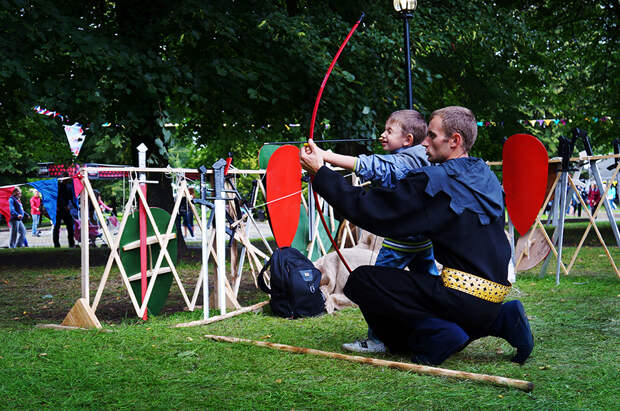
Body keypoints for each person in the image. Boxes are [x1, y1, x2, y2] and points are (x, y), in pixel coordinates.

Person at [301, 106, 534, 366]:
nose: (424, 141)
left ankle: (435, 333)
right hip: (495, 295)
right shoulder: (483, 174)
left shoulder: (435, 183)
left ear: (454, 140)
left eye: (432, 136)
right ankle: (503, 318)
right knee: (430, 288)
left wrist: (321, 173)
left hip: (460, 297)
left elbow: (372, 210)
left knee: (362, 281)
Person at [307, 109, 437, 353]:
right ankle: (437, 327)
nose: (382, 135)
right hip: (422, 239)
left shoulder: (407, 160)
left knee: (376, 288)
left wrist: (325, 156)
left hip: (402, 241)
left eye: (389, 131)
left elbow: (374, 165)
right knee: (430, 283)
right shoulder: (422, 154)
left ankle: (378, 339)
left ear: (408, 139)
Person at [53, 172, 76, 248]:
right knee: (57, 227)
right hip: (58, 210)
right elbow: (53, 198)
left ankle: (71, 243)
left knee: (70, 226)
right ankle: (56, 244)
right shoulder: (56, 187)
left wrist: (70, 206)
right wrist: (56, 206)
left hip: (66, 209)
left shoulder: (68, 187)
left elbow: (71, 198)